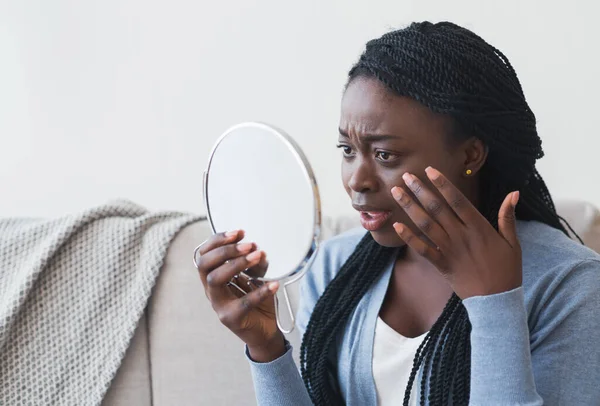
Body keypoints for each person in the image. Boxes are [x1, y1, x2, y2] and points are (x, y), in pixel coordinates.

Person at [195, 21, 600, 405]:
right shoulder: (335, 266)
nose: (357, 180)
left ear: (470, 154)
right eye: (348, 151)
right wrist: (266, 349)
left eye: (385, 154)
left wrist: (495, 303)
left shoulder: (570, 287)